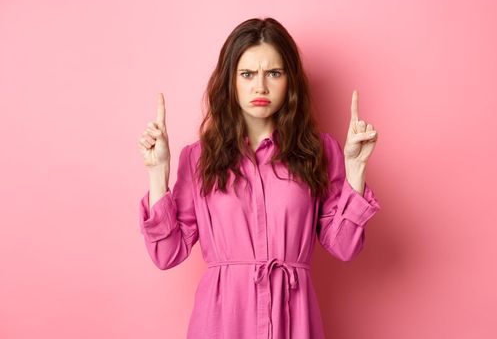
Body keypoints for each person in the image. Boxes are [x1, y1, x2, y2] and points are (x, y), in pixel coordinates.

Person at [137, 17, 381, 339]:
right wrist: (158, 174)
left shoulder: (319, 151)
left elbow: (344, 247)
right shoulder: (198, 157)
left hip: (293, 321)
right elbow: (166, 253)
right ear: (231, 81)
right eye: (248, 74)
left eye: (274, 73)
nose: (260, 86)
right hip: (222, 323)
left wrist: (356, 168)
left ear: (290, 80)